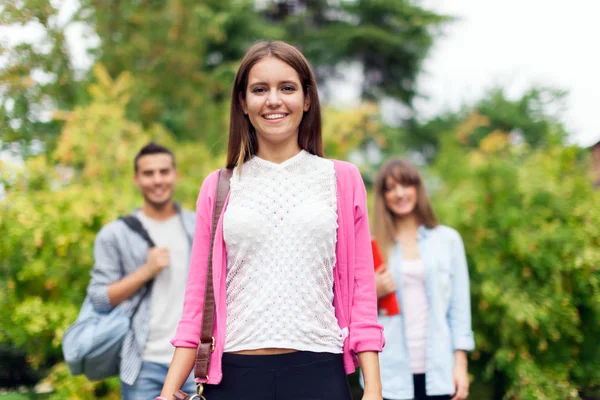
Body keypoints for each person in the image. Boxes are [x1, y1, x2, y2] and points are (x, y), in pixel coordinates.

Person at [158, 40, 385, 400]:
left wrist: (373, 388)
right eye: (260, 89)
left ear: (307, 100)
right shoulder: (218, 187)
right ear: (243, 104)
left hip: (319, 371)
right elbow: (197, 302)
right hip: (234, 376)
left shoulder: (342, 179)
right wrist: (169, 389)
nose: (273, 100)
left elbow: (361, 292)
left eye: (287, 88)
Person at [86, 142, 197, 399]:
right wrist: (146, 271)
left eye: (164, 171)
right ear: (136, 179)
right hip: (143, 365)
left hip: (194, 362)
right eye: (148, 173)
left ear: (175, 174)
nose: (157, 180)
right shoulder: (115, 234)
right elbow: (99, 299)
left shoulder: (196, 225)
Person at [371, 159, 474, 400]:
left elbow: (459, 310)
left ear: (418, 189)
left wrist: (460, 364)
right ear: (383, 196)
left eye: (406, 184)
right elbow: (351, 311)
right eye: (390, 187)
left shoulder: (448, 240)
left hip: (439, 371)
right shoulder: (372, 246)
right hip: (389, 373)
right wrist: (371, 291)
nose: (400, 193)